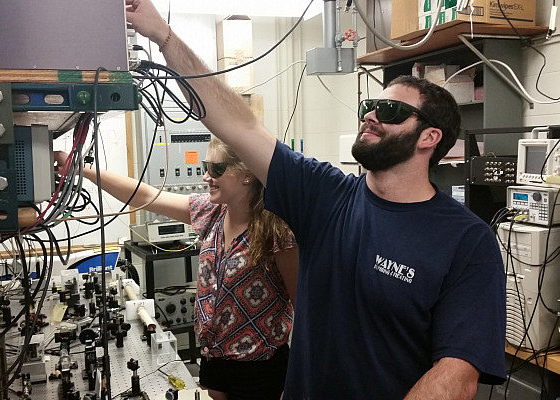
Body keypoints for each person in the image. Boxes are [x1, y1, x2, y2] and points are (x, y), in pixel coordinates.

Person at [125, 1, 507, 399]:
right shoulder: (325, 195)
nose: (371, 115)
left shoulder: (466, 240)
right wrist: (164, 37)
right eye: (369, 106)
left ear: (430, 138)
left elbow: (458, 373)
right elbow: (240, 125)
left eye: (390, 110)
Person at [55, 136, 297, 400]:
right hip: (214, 360)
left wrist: (300, 377)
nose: (206, 176)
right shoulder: (213, 212)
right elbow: (146, 195)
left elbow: (303, 305)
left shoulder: (277, 231)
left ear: (247, 174)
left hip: (260, 370)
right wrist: (82, 169)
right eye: (206, 166)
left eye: (216, 169)